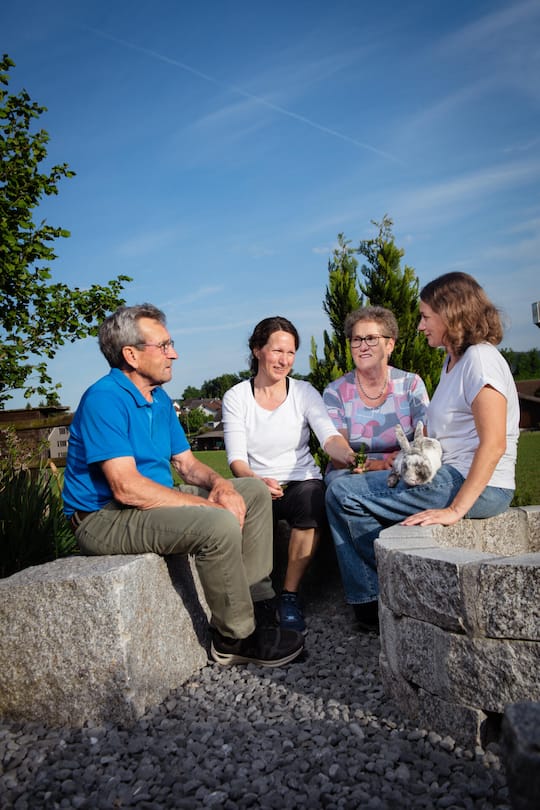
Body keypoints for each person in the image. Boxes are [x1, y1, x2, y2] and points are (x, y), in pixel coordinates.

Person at [62, 303, 305, 668]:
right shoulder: (104, 399)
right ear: (130, 354)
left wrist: (221, 486)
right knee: (217, 522)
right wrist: (207, 507)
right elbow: (126, 488)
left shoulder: (158, 398)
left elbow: (188, 464)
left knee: (251, 493)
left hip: (142, 502)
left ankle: (255, 601)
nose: (173, 353)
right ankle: (234, 637)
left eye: (170, 343)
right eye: (162, 346)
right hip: (104, 516)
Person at [325, 273, 520, 632]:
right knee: (341, 488)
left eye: (426, 316)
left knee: (340, 493)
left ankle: (381, 591)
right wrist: (388, 465)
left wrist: (455, 509)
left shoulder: (481, 360)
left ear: (452, 314)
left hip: (476, 486)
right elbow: (432, 438)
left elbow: (494, 444)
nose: (419, 326)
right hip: (446, 475)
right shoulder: (453, 364)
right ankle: (378, 594)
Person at [222, 316, 356, 633]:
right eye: (277, 351)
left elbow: (328, 436)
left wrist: (349, 455)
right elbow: (236, 459)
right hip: (255, 483)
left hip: (299, 481)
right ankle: (259, 599)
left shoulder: (304, 392)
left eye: (291, 353)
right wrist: (256, 482)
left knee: (313, 498)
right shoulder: (236, 397)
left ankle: (290, 595)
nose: (284, 360)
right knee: (246, 504)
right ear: (257, 350)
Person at [323, 306, 429, 485]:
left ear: (390, 345)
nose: (363, 346)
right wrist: (378, 465)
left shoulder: (411, 384)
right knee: (341, 487)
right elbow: (338, 457)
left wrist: (401, 461)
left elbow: (425, 439)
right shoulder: (335, 392)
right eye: (356, 340)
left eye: (371, 339)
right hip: (353, 474)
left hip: (405, 468)